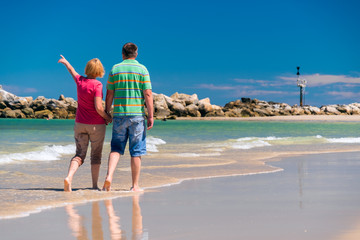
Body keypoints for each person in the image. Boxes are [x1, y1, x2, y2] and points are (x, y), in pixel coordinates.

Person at [102, 42, 153, 192]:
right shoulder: (142, 69)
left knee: (116, 148)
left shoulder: (115, 69)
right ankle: (135, 186)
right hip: (137, 115)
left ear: (122, 54)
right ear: (136, 54)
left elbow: (110, 93)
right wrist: (150, 115)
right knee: (136, 151)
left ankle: (109, 176)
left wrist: (107, 112)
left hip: (119, 114)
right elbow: (148, 94)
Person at [58, 55, 112, 192]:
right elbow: (99, 108)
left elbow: (72, 70)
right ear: (100, 71)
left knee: (79, 155)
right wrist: (108, 117)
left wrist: (66, 62)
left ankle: (69, 177)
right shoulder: (97, 85)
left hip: (80, 124)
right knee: (95, 155)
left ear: (87, 69)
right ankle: (94, 186)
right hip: (96, 126)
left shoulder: (80, 80)